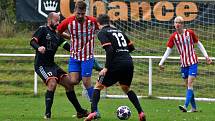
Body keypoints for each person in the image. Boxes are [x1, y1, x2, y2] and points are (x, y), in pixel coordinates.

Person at [84, 14, 146, 121]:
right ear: (109, 22)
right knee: (126, 88)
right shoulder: (119, 31)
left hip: (116, 64)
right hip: (128, 62)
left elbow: (110, 50)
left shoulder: (102, 33)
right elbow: (131, 47)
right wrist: (122, 53)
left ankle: (94, 112)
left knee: (98, 86)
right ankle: (140, 112)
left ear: (98, 24)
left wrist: (106, 68)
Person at [30, 12, 89, 119]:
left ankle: (80, 111)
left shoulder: (58, 34)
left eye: (59, 21)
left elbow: (67, 47)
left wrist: (79, 49)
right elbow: (32, 41)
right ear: (49, 20)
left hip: (52, 65)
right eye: (56, 21)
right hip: (41, 65)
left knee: (69, 84)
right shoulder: (42, 29)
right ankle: (47, 114)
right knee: (52, 82)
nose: (58, 23)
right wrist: (38, 47)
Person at [158, 16, 212, 112]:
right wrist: (161, 62)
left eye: (180, 22)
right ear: (174, 24)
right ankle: (194, 108)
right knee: (188, 86)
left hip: (192, 62)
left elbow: (199, 44)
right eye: (176, 22)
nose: (177, 24)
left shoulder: (189, 33)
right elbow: (168, 50)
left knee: (190, 83)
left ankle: (185, 106)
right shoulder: (173, 37)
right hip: (183, 64)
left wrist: (206, 56)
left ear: (183, 24)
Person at [57, 0, 101, 117]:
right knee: (73, 81)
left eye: (82, 13)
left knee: (87, 83)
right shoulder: (68, 22)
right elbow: (59, 31)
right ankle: (87, 70)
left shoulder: (92, 21)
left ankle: (95, 111)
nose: (80, 16)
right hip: (74, 57)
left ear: (85, 12)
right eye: (78, 13)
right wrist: (69, 36)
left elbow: (101, 29)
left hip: (87, 57)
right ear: (75, 11)